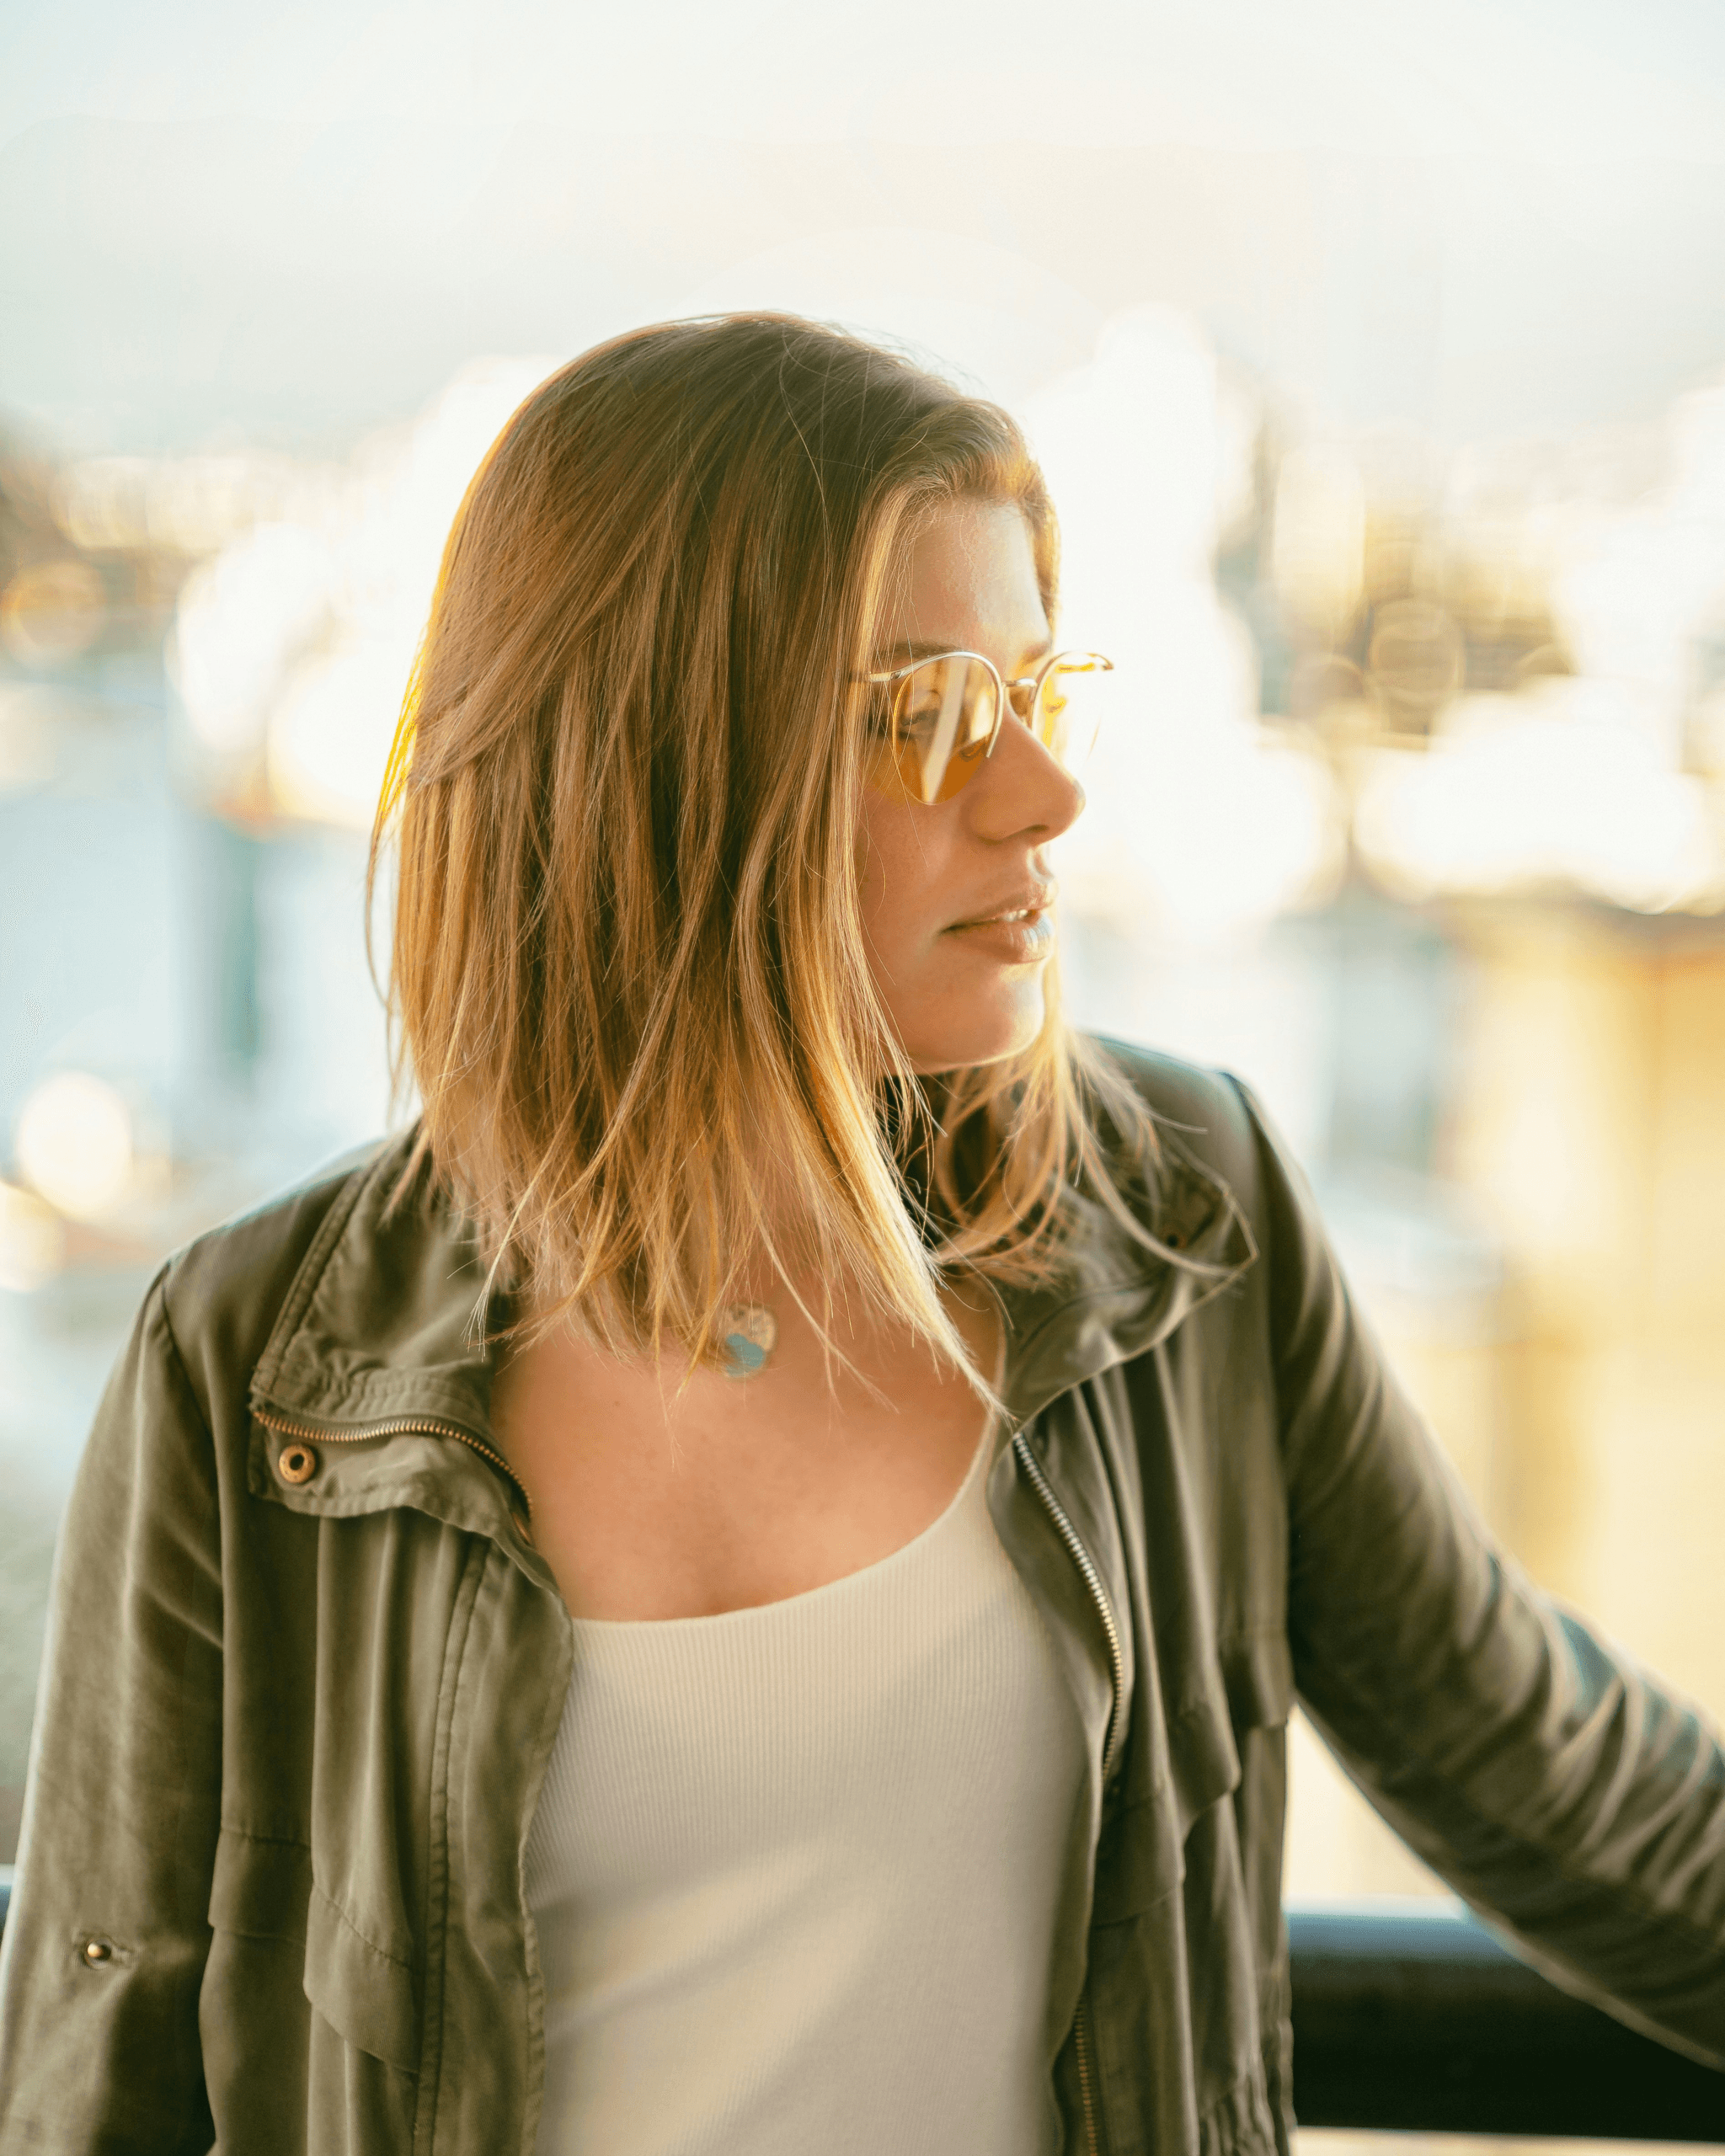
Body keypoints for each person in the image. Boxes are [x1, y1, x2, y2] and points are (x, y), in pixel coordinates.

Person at [1, 312, 1722, 2156]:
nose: (1043, 795)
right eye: (926, 717)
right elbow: (102, 2079)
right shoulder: (256, 1362)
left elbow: (1577, 1793)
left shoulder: (1183, 1227)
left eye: (1036, 698)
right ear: (651, 764)